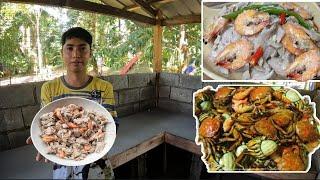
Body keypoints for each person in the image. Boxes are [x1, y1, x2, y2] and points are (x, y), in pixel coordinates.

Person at [26, 27, 119, 179]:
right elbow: (44, 122)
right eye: (70, 48)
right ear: (62, 53)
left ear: (90, 52)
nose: (76, 55)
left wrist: (98, 141)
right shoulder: (49, 88)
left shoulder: (104, 87)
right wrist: (40, 141)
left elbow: (112, 124)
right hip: (62, 162)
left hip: (97, 161)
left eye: (82, 48)